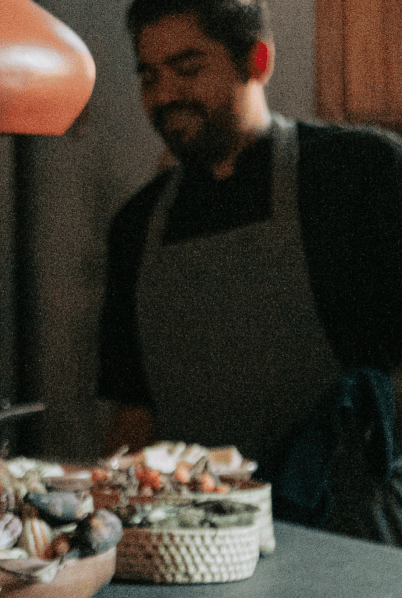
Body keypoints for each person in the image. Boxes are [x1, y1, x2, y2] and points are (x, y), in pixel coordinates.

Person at [98, 0, 402, 544]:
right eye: (149, 76)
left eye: (188, 68)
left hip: (353, 532)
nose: (164, 95)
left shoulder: (360, 173)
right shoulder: (136, 226)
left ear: (256, 60)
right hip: (196, 540)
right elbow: (134, 411)